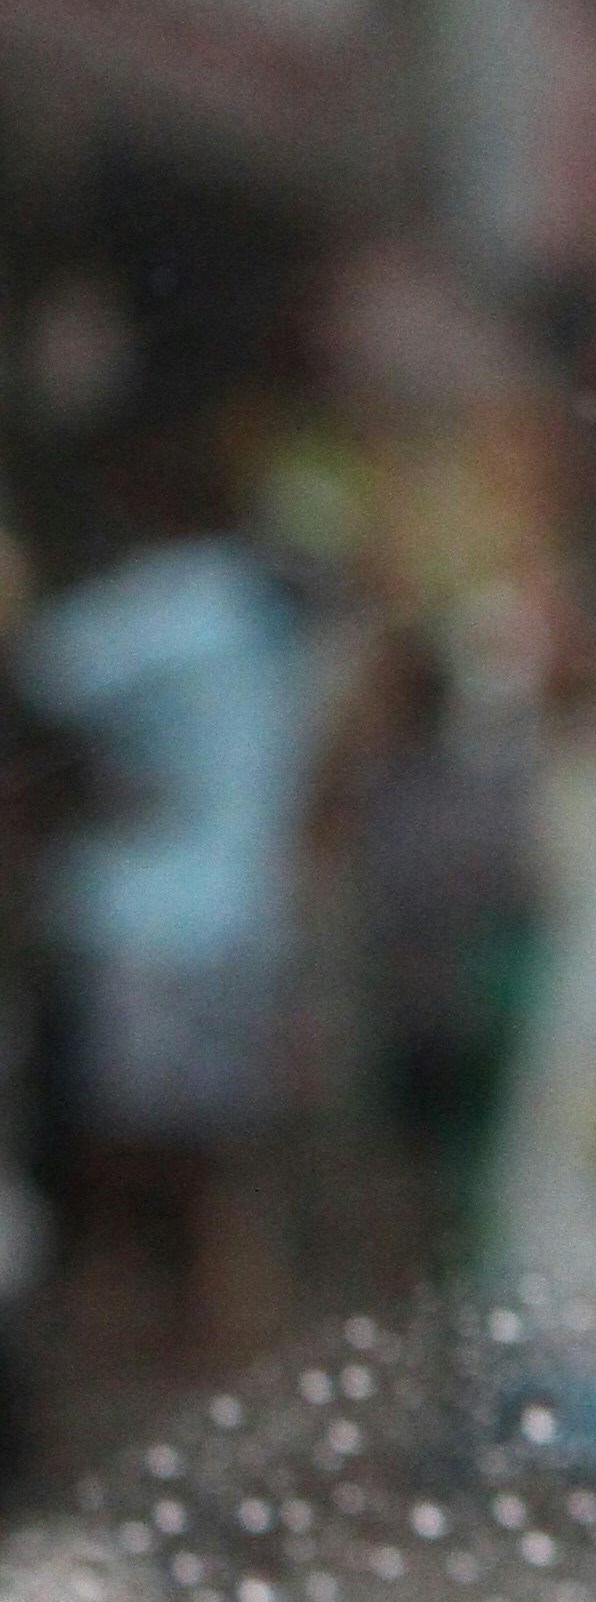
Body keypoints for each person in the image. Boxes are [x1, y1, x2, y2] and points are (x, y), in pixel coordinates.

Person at [23, 434, 323, 1383]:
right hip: (248, 915)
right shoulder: (279, 621)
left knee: (122, 1136)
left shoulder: (172, 603)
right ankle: (220, 1334)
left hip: (148, 916)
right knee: (220, 1145)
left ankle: (115, 1330)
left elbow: (47, 664)